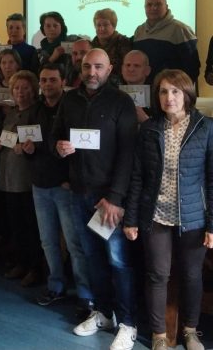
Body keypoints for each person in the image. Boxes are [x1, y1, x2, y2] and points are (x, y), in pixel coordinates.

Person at [52, 48, 138, 350]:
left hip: (109, 199)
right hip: (79, 194)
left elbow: (128, 155)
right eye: (87, 66)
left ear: (110, 69)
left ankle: (128, 323)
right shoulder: (69, 99)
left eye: (98, 67)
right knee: (92, 258)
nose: (92, 72)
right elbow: (55, 136)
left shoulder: (121, 102)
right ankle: (103, 312)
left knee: (118, 261)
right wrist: (59, 147)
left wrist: (115, 198)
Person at [124, 69, 213, 350]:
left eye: (175, 91)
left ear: (187, 94)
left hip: (194, 218)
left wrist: (212, 224)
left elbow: (212, 179)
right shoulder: (149, 129)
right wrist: (131, 219)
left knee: (191, 276)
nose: (169, 97)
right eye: (163, 91)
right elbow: (137, 177)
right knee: (157, 275)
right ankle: (159, 335)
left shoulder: (206, 128)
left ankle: (190, 331)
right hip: (156, 215)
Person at [22, 64, 93, 311]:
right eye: (43, 80)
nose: (47, 84)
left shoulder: (72, 107)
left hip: (65, 187)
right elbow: (31, 144)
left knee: (74, 243)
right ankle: (56, 286)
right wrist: (27, 149)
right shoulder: (35, 110)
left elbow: (81, 147)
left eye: (52, 80)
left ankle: (85, 294)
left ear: (63, 82)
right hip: (40, 185)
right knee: (48, 241)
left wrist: (72, 178)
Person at [0, 70, 43, 287]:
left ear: (33, 90)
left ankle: (35, 268)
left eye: (25, 88)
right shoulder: (11, 113)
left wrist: (29, 147)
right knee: (15, 224)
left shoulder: (37, 112)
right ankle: (21, 263)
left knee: (30, 226)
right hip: (8, 175)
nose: (20, 92)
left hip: (26, 178)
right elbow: (7, 138)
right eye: (16, 88)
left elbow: (38, 143)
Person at [133, 0, 200, 83]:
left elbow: (192, 66)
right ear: (145, 8)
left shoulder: (180, 29)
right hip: (144, 89)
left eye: (158, 4)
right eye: (149, 5)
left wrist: (180, 89)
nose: (153, 8)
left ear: (166, 6)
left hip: (171, 89)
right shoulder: (139, 30)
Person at [92, 8, 132, 81]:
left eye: (106, 25)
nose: (102, 28)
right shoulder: (92, 45)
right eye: (98, 25)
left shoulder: (123, 42)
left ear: (114, 26)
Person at [121, 50, 151, 124]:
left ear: (147, 70)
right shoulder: (113, 95)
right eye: (128, 65)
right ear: (122, 69)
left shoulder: (157, 97)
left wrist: (145, 120)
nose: (131, 69)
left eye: (137, 66)